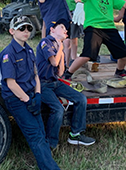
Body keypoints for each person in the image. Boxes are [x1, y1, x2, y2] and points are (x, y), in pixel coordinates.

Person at [0, 15, 75, 170]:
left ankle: (47, 167)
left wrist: (38, 95)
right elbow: (11, 84)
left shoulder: (29, 51)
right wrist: (28, 100)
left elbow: (35, 76)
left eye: (27, 28)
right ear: (11, 31)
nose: (25, 32)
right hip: (17, 100)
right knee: (36, 136)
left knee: (40, 133)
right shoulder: (7, 54)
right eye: (21, 28)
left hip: (32, 96)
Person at [37, 18, 95, 149]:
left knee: (81, 98)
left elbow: (60, 72)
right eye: (62, 28)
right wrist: (61, 49)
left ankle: (76, 134)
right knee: (57, 109)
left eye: (66, 29)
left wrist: (62, 52)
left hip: (55, 82)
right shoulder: (45, 42)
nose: (66, 31)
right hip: (43, 84)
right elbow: (53, 62)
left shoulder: (59, 46)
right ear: (52, 29)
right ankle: (50, 143)